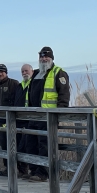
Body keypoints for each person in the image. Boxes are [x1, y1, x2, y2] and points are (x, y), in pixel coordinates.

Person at [25, 47, 70, 182]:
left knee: (44, 146)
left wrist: (58, 114)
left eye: (46, 57)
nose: (44, 59)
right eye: (41, 57)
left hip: (48, 117)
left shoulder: (59, 73)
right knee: (30, 144)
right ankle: (33, 170)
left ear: (51, 58)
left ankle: (42, 173)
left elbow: (64, 95)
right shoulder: (36, 74)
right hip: (33, 116)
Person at [13, 64, 34, 178]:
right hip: (19, 119)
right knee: (18, 146)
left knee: (28, 145)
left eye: (26, 71)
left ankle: (31, 170)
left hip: (30, 118)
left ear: (32, 71)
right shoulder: (19, 86)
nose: (24, 73)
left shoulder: (34, 84)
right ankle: (22, 171)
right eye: (22, 71)